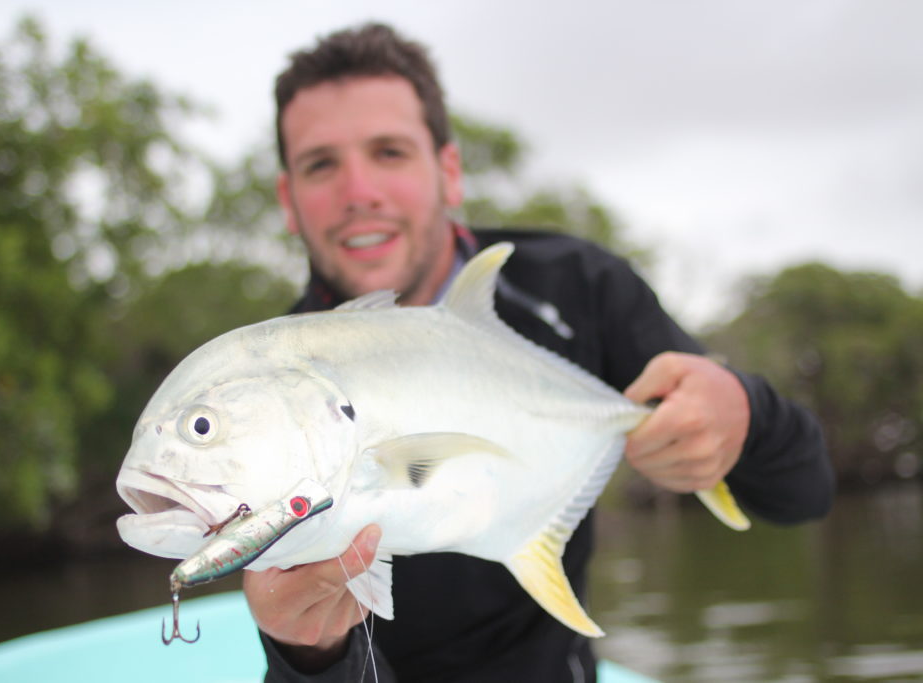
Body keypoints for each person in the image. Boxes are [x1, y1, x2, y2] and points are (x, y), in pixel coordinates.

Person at [244, 22, 834, 682]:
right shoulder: (266, 393)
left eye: (389, 152)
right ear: (287, 200)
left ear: (449, 170)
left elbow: (803, 491)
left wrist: (744, 412)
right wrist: (304, 654)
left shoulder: (575, 287)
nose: (359, 192)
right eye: (321, 164)